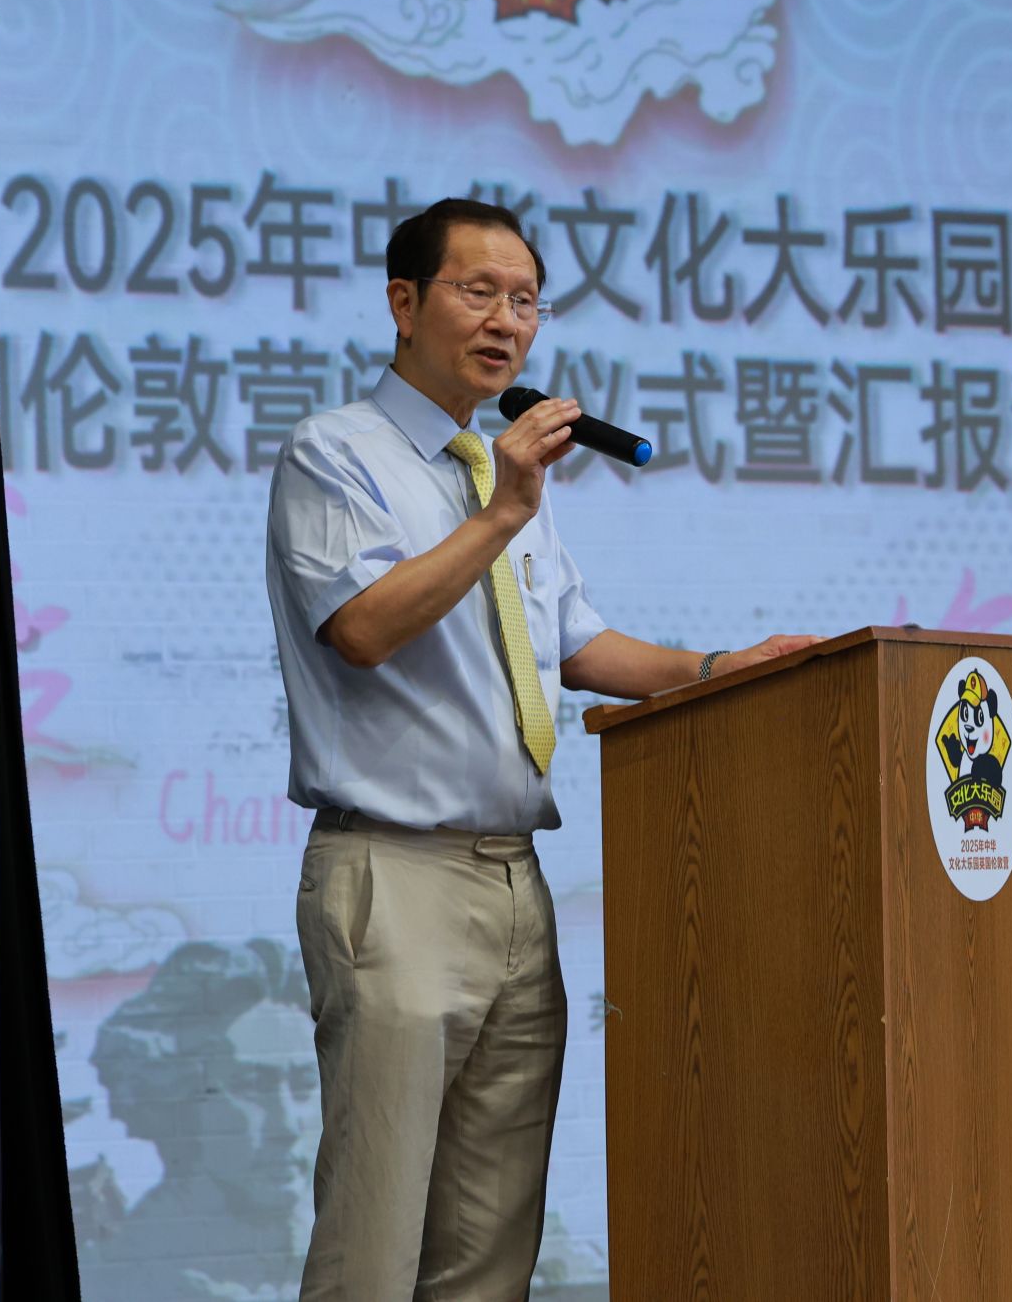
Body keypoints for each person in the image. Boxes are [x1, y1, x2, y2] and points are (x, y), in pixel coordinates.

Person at [265, 196, 814, 1300]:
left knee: (490, 1247)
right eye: (479, 291)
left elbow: (577, 645)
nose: (506, 320)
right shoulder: (338, 452)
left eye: (525, 300)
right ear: (403, 302)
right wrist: (501, 513)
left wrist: (721, 667)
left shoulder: (497, 471)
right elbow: (362, 628)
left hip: (517, 882)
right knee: (375, 1244)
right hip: (395, 873)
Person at [86, 939, 322, 1300]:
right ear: (179, 1099)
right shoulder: (123, 1278)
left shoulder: (345, 1256)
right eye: (250, 1085)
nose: (287, 1126)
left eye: (305, 1084)